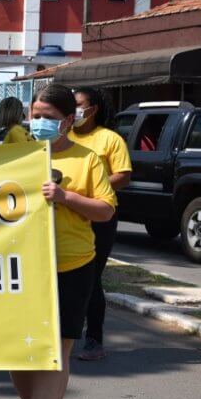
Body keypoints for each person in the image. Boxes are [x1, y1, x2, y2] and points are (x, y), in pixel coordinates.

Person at [7, 84, 116, 399]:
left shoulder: (89, 160)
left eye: (48, 118)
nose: (38, 123)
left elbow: (105, 210)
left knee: (60, 349)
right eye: (35, 115)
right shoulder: (16, 156)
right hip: (21, 267)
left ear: (68, 121)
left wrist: (65, 197)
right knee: (18, 350)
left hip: (73, 265)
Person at [69, 87, 131, 362]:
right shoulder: (63, 136)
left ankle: (94, 339)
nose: (74, 110)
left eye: (78, 105)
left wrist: (92, 189)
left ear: (92, 109)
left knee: (91, 278)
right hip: (65, 215)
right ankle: (65, 334)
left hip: (98, 216)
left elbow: (124, 176)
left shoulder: (110, 139)